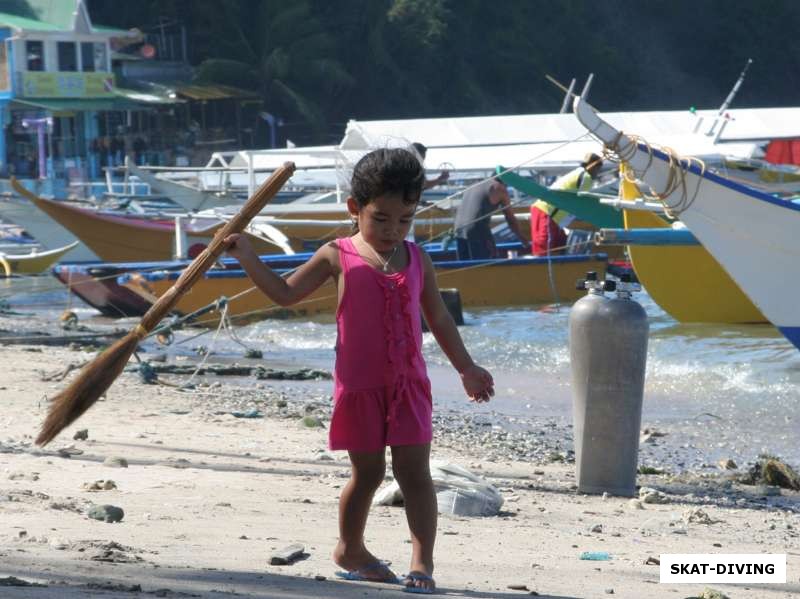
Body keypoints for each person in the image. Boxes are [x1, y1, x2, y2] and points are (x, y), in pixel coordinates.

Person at [224, 148, 494, 594]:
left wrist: (466, 367)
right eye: (381, 218)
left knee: (415, 474)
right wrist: (245, 254)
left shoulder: (416, 258)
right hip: (360, 388)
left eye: (404, 220)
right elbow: (284, 294)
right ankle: (350, 549)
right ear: (355, 209)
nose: (392, 230)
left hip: (408, 387)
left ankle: (421, 564)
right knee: (366, 475)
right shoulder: (337, 255)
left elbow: (440, 319)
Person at [530, 152, 603, 256]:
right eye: (598, 169)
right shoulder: (586, 177)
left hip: (546, 211)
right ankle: (542, 268)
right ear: (594, 167)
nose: (598, 173)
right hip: (547, 211)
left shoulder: (578, 172)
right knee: (544, 246)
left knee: (558, 243)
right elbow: (583, 204)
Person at [453, 176, 528, 260]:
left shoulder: (475, 185)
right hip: (477, 231)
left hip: (458, 229)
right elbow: (510, 218)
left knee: (465, 269)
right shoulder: (498, 187)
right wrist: (523, 239)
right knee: (487, 267)